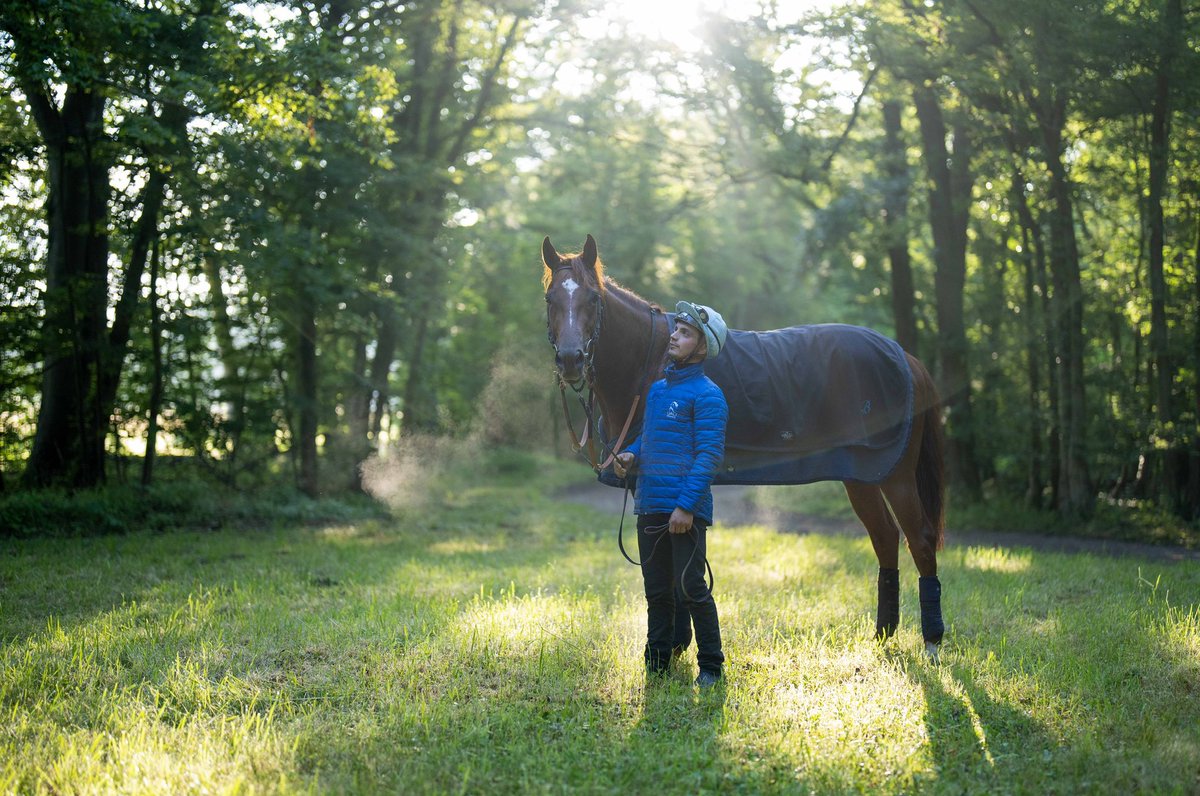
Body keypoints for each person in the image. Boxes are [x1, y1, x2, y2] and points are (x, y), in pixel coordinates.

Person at [614, 301, 729, 688]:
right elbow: (653, 439)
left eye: (684, 333)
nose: (674, 337)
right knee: (657, 589)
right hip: (650, 505)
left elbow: (708, 455)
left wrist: (686, 507)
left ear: (702, 346)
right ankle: (657, 662)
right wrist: (632, 453)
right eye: (675, 331)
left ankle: (711, 665)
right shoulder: (659, 391)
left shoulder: (709, 395)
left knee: (692, 588)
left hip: (685, 512)